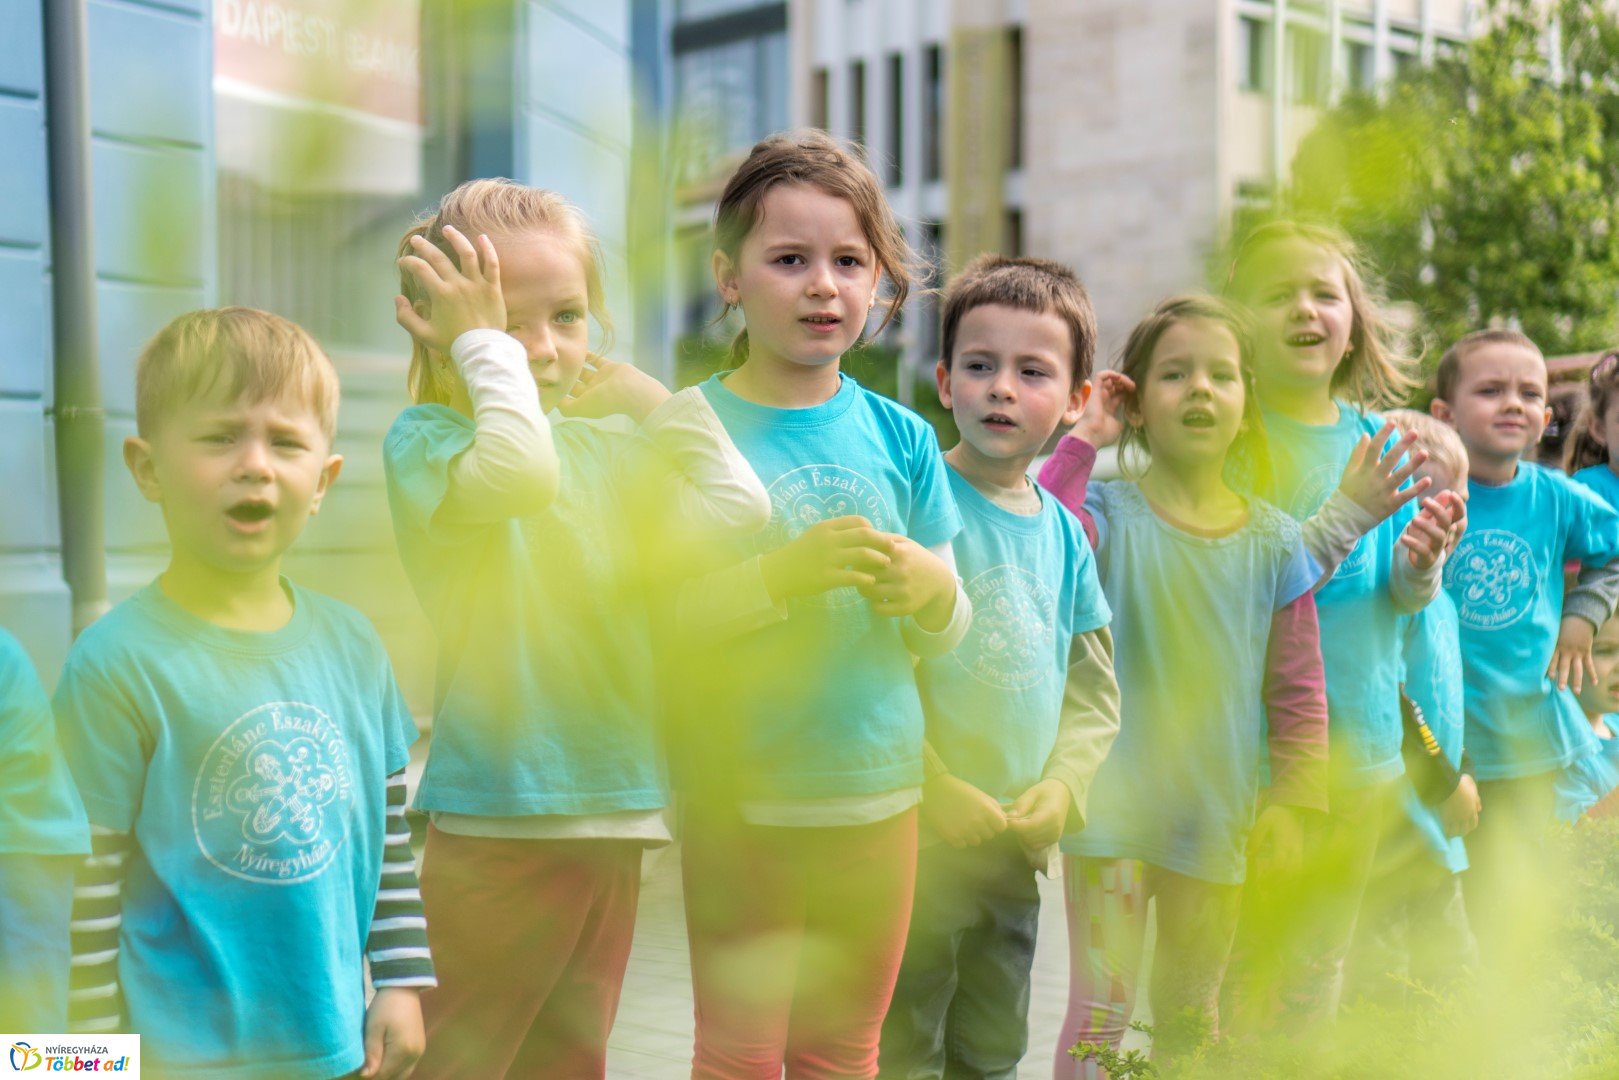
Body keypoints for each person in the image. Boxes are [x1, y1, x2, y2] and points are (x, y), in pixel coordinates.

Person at [383, 179, 770, 1079]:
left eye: (568, 315)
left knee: (570, 1062)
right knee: (454, 1061)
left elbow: (738, 507)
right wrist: (483, 347)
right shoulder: (429, 443)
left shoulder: (610, 448)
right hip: (499, 821)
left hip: (618, 813)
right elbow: (520, 476)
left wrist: (650, 401)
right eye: (506, 321)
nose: (544, 348)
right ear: (440, 324)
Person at [55, 308, 433, 1080]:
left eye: (286, 441)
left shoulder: (354, 646)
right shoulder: (114, 663)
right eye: (220, 436)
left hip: (332, 1046)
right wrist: (75, 1066)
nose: (255, 464)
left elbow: (387, 842)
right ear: (148, 468)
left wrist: (400, 983)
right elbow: (78, 889)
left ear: (323, 481)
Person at [1037, 296, 1330, 1074]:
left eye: (1221, 375)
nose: (1199, 389)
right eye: (1173, 374)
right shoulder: (1104, 514)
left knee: (1191, 1018)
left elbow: (1298, 691)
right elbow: (1040, 537)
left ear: (1245, 405)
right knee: (1099, 1014)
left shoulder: (1274, 543)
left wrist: (1294, 804)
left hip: (1216, 822)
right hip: (1111, 823)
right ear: (1135, 402)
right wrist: (1083, 437)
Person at [877, 255, 1121, 1079]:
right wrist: (931, 782)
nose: (1001, 389)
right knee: (905, 1040)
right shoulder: (914, 501)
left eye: (1031, 371)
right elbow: (869, 665)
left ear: (1077, 400)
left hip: (1013, 847)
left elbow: (1092, 686)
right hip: (915, 834)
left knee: (991, 1046)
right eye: (979, 367)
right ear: (944, 382)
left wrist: (1064, 787)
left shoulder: (1063, 533)